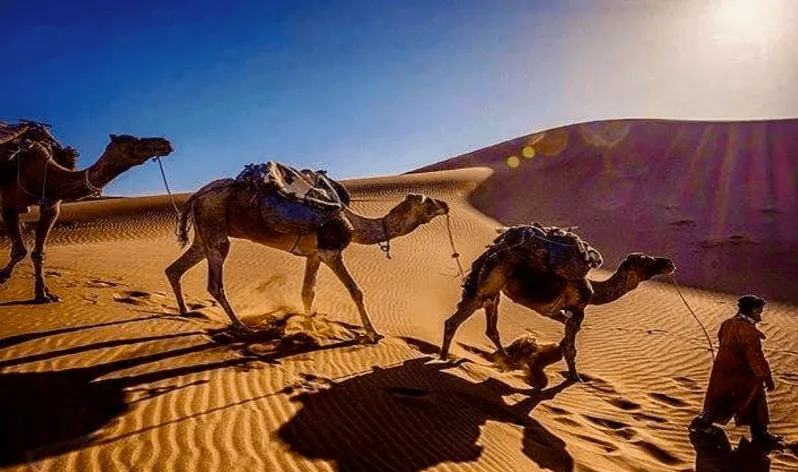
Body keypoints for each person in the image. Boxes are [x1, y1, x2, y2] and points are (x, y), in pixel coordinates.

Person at [689, 294, 782, 448]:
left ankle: (760, 434)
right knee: (730, 401)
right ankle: (702, 425)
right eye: (759, 312)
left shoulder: (727, 324)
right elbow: (755, 356)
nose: (760, 316)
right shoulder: (748, 331)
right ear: (752, 310)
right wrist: (766, 377)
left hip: (723, 371)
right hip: (742, 375)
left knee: (751, 402)